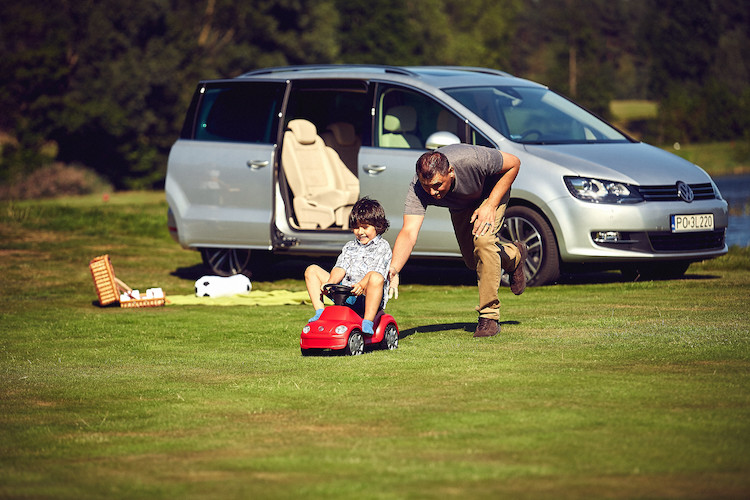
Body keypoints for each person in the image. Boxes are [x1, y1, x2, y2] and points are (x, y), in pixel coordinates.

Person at [388, 144, 527, 338]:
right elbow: (409, 232)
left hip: (490, 194)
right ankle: (514, 255)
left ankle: (489, 318)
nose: (433, 193)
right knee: (474, 261)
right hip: (461, 206)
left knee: (484, 243)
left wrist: (490, 205)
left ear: (451, 172)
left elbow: (514, 163)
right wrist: (394, 269)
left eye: (437, 185)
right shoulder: (419, 188)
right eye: (427, 187)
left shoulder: (471, 159)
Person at [305, 197, 392, 335]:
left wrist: (362, 285)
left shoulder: (383, 247)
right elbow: (340, 267)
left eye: (365, 227)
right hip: (344, 293)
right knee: (312, 270)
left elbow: (377, 272)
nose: (360, 232)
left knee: (376, 277)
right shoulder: (350, 247)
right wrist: (330, 283)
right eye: (356, 227)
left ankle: (368, 322)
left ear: (378, 226)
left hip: (366, 297)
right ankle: (320, 313)